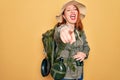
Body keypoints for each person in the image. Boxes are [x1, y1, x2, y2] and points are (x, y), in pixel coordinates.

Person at [53, 0, 90, 80]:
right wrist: (63, 30)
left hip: (79, 74)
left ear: (77, 13)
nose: (72, 11)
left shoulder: (80, 32)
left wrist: (84, 53)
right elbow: (57, 34)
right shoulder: (59, 29)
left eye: (75, 9)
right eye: (68, 10)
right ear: (64, 16)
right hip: (63, 75)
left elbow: (86, 47)